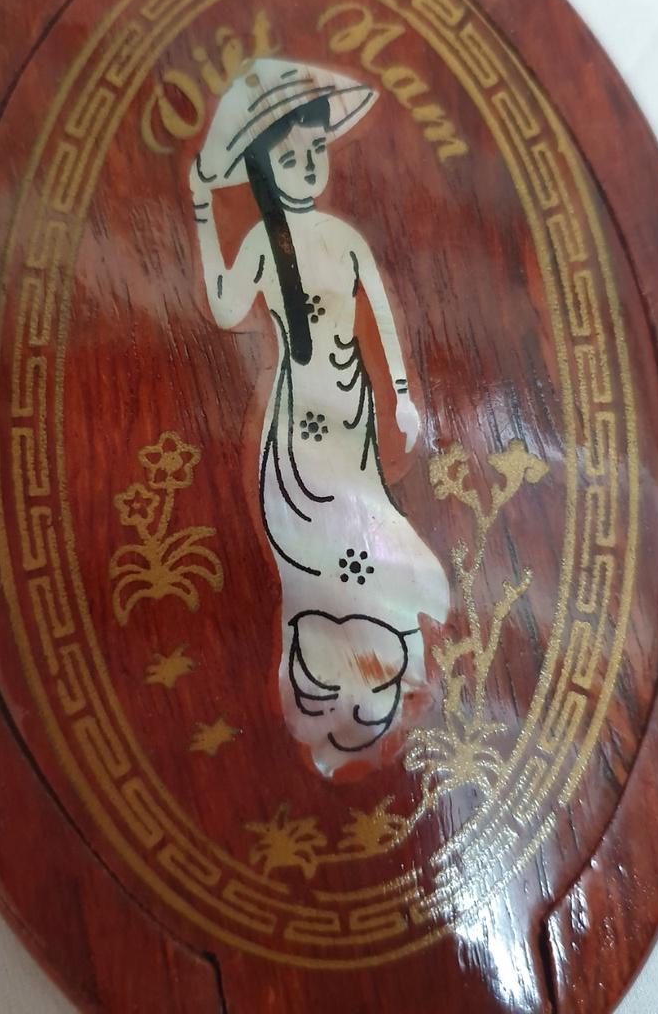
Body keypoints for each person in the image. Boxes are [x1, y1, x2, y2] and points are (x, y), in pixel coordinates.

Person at [190, 59, 449, 777]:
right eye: (288, 158)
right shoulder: (262, 245)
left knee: (364, 515)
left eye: (315, 152)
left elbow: (381, 317)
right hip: (297, 413)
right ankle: (326, 670)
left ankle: (382, 653)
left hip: (350, 409)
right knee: (308, 529)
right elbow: (223, 307)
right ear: (261, 171)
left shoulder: (343, 239)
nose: (306, 168)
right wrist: (206, 212)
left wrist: (401, 392)